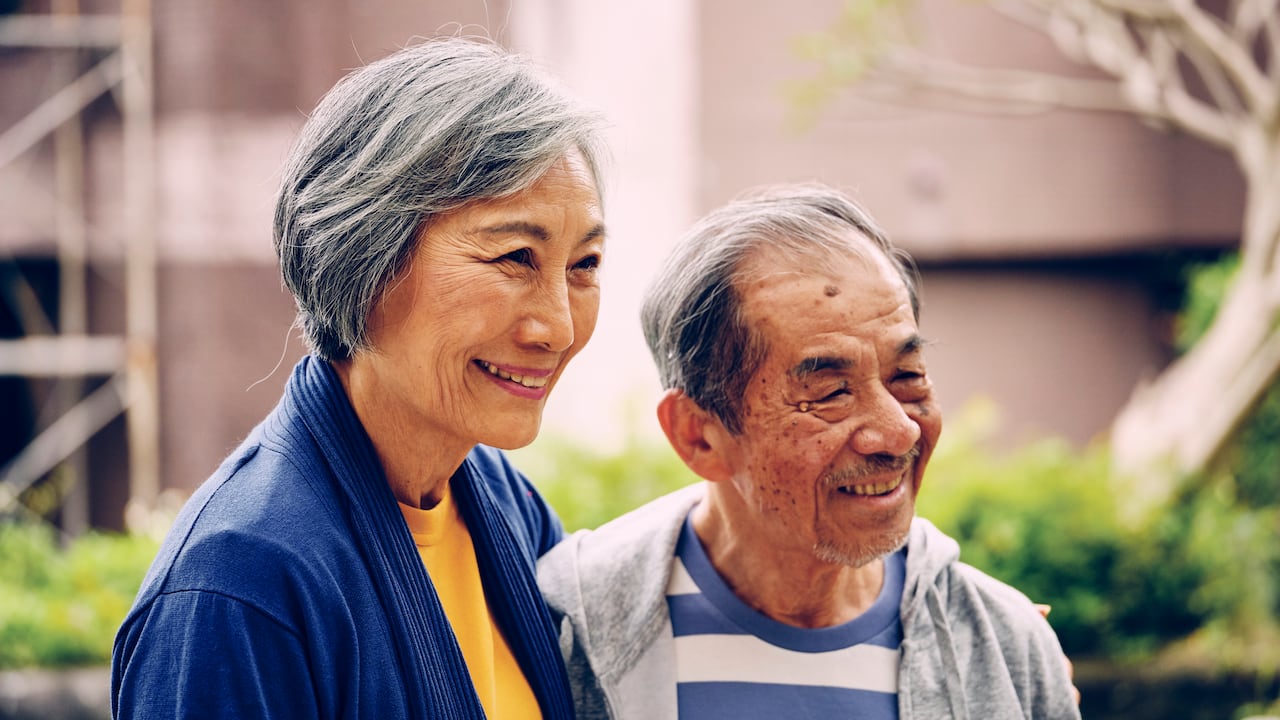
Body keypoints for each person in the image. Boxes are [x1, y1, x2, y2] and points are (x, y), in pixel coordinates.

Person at [112, 36, 608, 719]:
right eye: (515, 257)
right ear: (364, 262)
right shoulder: (239, 587)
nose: (558, 327)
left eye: (584, 265)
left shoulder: (504, 506)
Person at [538, 184, 1082, 719]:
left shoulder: (1003, 646)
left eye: (908, 376)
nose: (899, 433)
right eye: (830, 394)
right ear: (698, 435)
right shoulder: (564, 630)